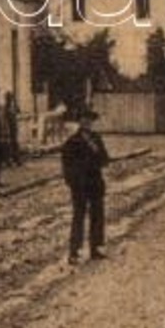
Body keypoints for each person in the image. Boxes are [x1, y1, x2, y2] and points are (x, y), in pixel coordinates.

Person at [61, 105, 110, 265]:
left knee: (97, 216)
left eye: (90, 119)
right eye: (84, 119)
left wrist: (98, 156)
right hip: (80, 184)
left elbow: (105, 159)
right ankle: (74, 252)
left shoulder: (96, 138)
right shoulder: (72, 142)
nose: (87, 122)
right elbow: (67, 166)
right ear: (79, 121)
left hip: (95, 182)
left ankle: (96, 248)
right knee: (79, 217)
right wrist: (72, 182)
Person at [3, 90, 23, 167]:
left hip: (14, 128)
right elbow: (4, 118)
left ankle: (17, 159)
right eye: (8, 98)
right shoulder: (5, 108)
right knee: (8, 145)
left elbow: (19, 112)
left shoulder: (13, 107)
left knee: (14, 144)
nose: (9, 100)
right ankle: (9, 161)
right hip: (8, 128)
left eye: (10, 98)